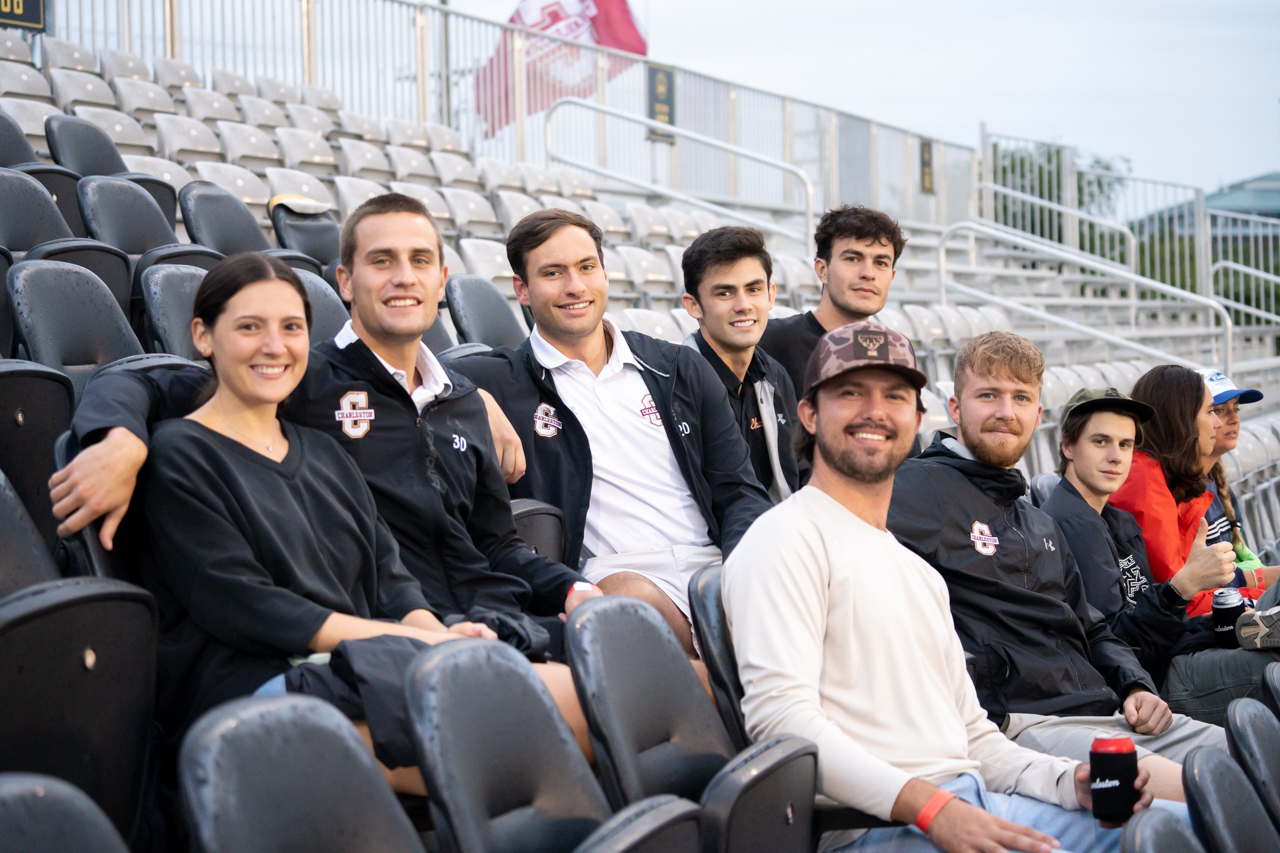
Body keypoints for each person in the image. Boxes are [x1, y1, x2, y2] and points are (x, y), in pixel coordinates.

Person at [49, 193, 602, 663]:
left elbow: (497, 545)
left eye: (419, 261)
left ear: (441, 280)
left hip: (492, 619)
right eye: (382, 261)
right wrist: (117, 438)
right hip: (390, 635)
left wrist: (573, 587)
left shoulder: (461, 400)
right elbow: (143, 383)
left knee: (634, 664)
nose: (404, 277)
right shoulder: (298, 377)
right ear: (345, 280)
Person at [723, 321, 1173, 853]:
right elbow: (783, 725)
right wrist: (931, 808)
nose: (874, 411)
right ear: (809, 414)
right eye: (850, 393)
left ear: (916, 420)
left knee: (1179, 826)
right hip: (879, 825)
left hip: (972, 797)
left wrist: (1064, 783)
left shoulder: (914, 569)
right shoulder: (784, 539)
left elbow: (974, 735)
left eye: (894, 396)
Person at [135, 253, 501, 790]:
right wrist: (419, 647)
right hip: (255, 690)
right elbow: (252, 607)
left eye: (291, 328)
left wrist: (439, 634)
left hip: (361, 664)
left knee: (541, 698)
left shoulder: (325, 452)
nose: (274, 346)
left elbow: (391, 579)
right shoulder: (178, 455)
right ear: (203, 336)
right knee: (495, 755)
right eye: (249, 327)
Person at [886, 333, 1226, 802]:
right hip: (1023, 724)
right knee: (1210, 793)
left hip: (1107, 710)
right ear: (955, 407)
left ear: (1038, 415)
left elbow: (1095, 629)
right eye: (989, 395)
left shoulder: (1036, 519)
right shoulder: (913, 491)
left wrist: (1135, 684)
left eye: (1021, 398)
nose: (1007, 410)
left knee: (1244, 755)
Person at [451, 208, 772, 657]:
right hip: (611, 580)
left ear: (604, 273)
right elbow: (405, 375)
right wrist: (474, 398)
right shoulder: (499, 379)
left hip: (711, 566)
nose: (575, 287)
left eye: (586, 267)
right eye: (552, 273)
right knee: (631, 604)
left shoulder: (677, 366)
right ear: (522, 290)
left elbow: (740, 491)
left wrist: (745, 569)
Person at [1043, 387, 1280, 726]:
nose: (1116, 456)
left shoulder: (1110, 517)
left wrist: (1217, 626)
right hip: (1155, 686)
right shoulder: (1074, 525)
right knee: (1271, 667)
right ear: (1067, 446)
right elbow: (1114, 642)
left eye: (1125, 444)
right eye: (1100, 442)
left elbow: (1148, 620)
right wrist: (1180, 588)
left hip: (1169, 657)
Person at [1110, 366, 1265, 619]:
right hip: (1168, 641)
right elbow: (1181, 598)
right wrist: (1258, 601)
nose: (1217, 423)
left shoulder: (1163, 477)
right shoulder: (1144, 480)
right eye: (1211, 411)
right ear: (1181, 418)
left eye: (1232, 410)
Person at [679, 225, 799, 503]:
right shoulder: (675, 387)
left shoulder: (775, 376)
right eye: (725, 293)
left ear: (770, 295)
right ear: (693, 305)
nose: (743, 305)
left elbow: (799, 475)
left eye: (753, 289)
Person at [757, 205, 904, 398]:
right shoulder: (768, 342)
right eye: (852, 259)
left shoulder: (895, 352)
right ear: (822, 270)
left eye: (881, 263)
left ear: (892, 277)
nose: (869, 273)